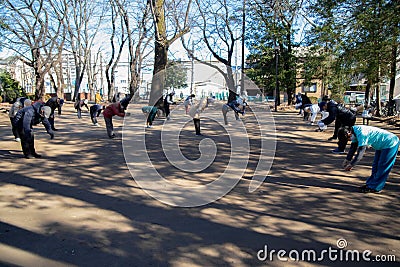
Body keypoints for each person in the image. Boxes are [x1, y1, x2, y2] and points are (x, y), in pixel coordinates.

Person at [340, 125, 399, 193]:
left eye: (348, 139)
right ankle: (370, 184)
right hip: (381, 145)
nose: (349, 140)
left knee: (382, 166)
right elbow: (353, 147)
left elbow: (360, 152)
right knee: (375, 165)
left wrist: (351, 165)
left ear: (348, 133)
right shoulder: (354, 132)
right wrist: (347, 159)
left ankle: (376, 188)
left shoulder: (361, 133)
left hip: (390, 143)